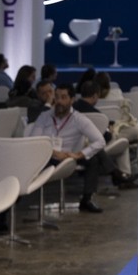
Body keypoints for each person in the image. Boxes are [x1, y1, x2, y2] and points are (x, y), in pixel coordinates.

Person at [28, 84, 113, 213]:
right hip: (46, 157)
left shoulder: (79, 119)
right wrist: (54, 152)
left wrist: (80, 154)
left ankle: (87, 199)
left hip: (69, 157)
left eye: (63, 97)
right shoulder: (44, 117)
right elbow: (33, 141)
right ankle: (116, 174)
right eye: (57, 97)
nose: (59, 101)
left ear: (72, 100)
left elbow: (100, 141)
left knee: (93, 159)